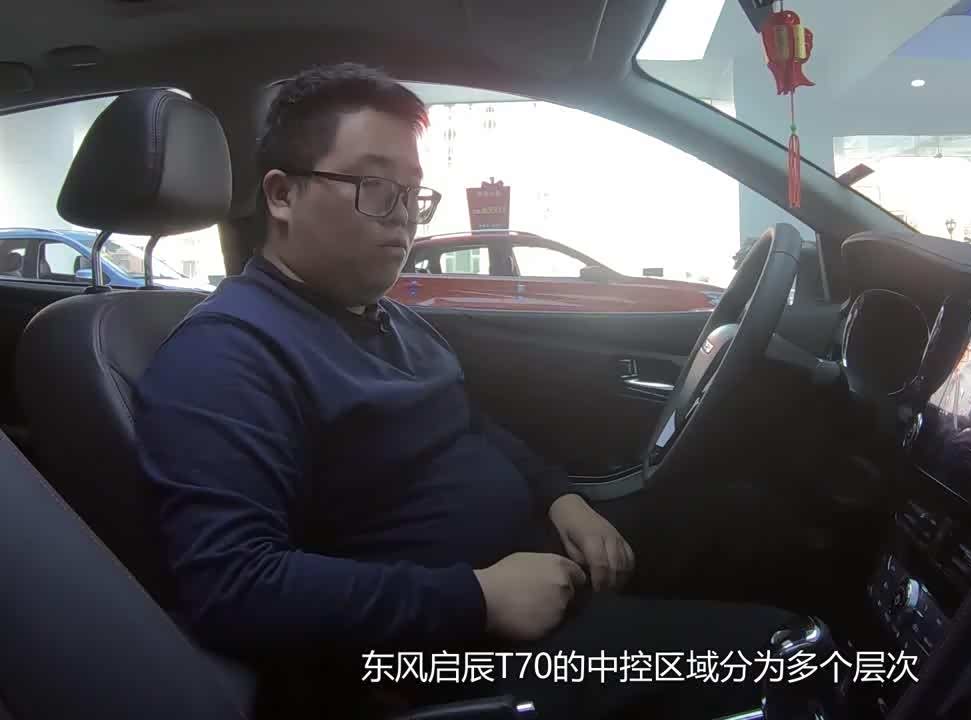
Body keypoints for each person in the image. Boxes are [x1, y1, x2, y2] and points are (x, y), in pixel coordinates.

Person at [134, 63, 794, 719]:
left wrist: (560, 497)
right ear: (281, 195)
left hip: (531, 578)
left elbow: (470, 427)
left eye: (412, 193)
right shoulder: (227, 354)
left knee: (755, 523)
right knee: (786, 658)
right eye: (375, 187)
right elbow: (233, 585)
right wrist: (478, 598)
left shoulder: (391, 321)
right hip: (443, 658)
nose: (403, 219)